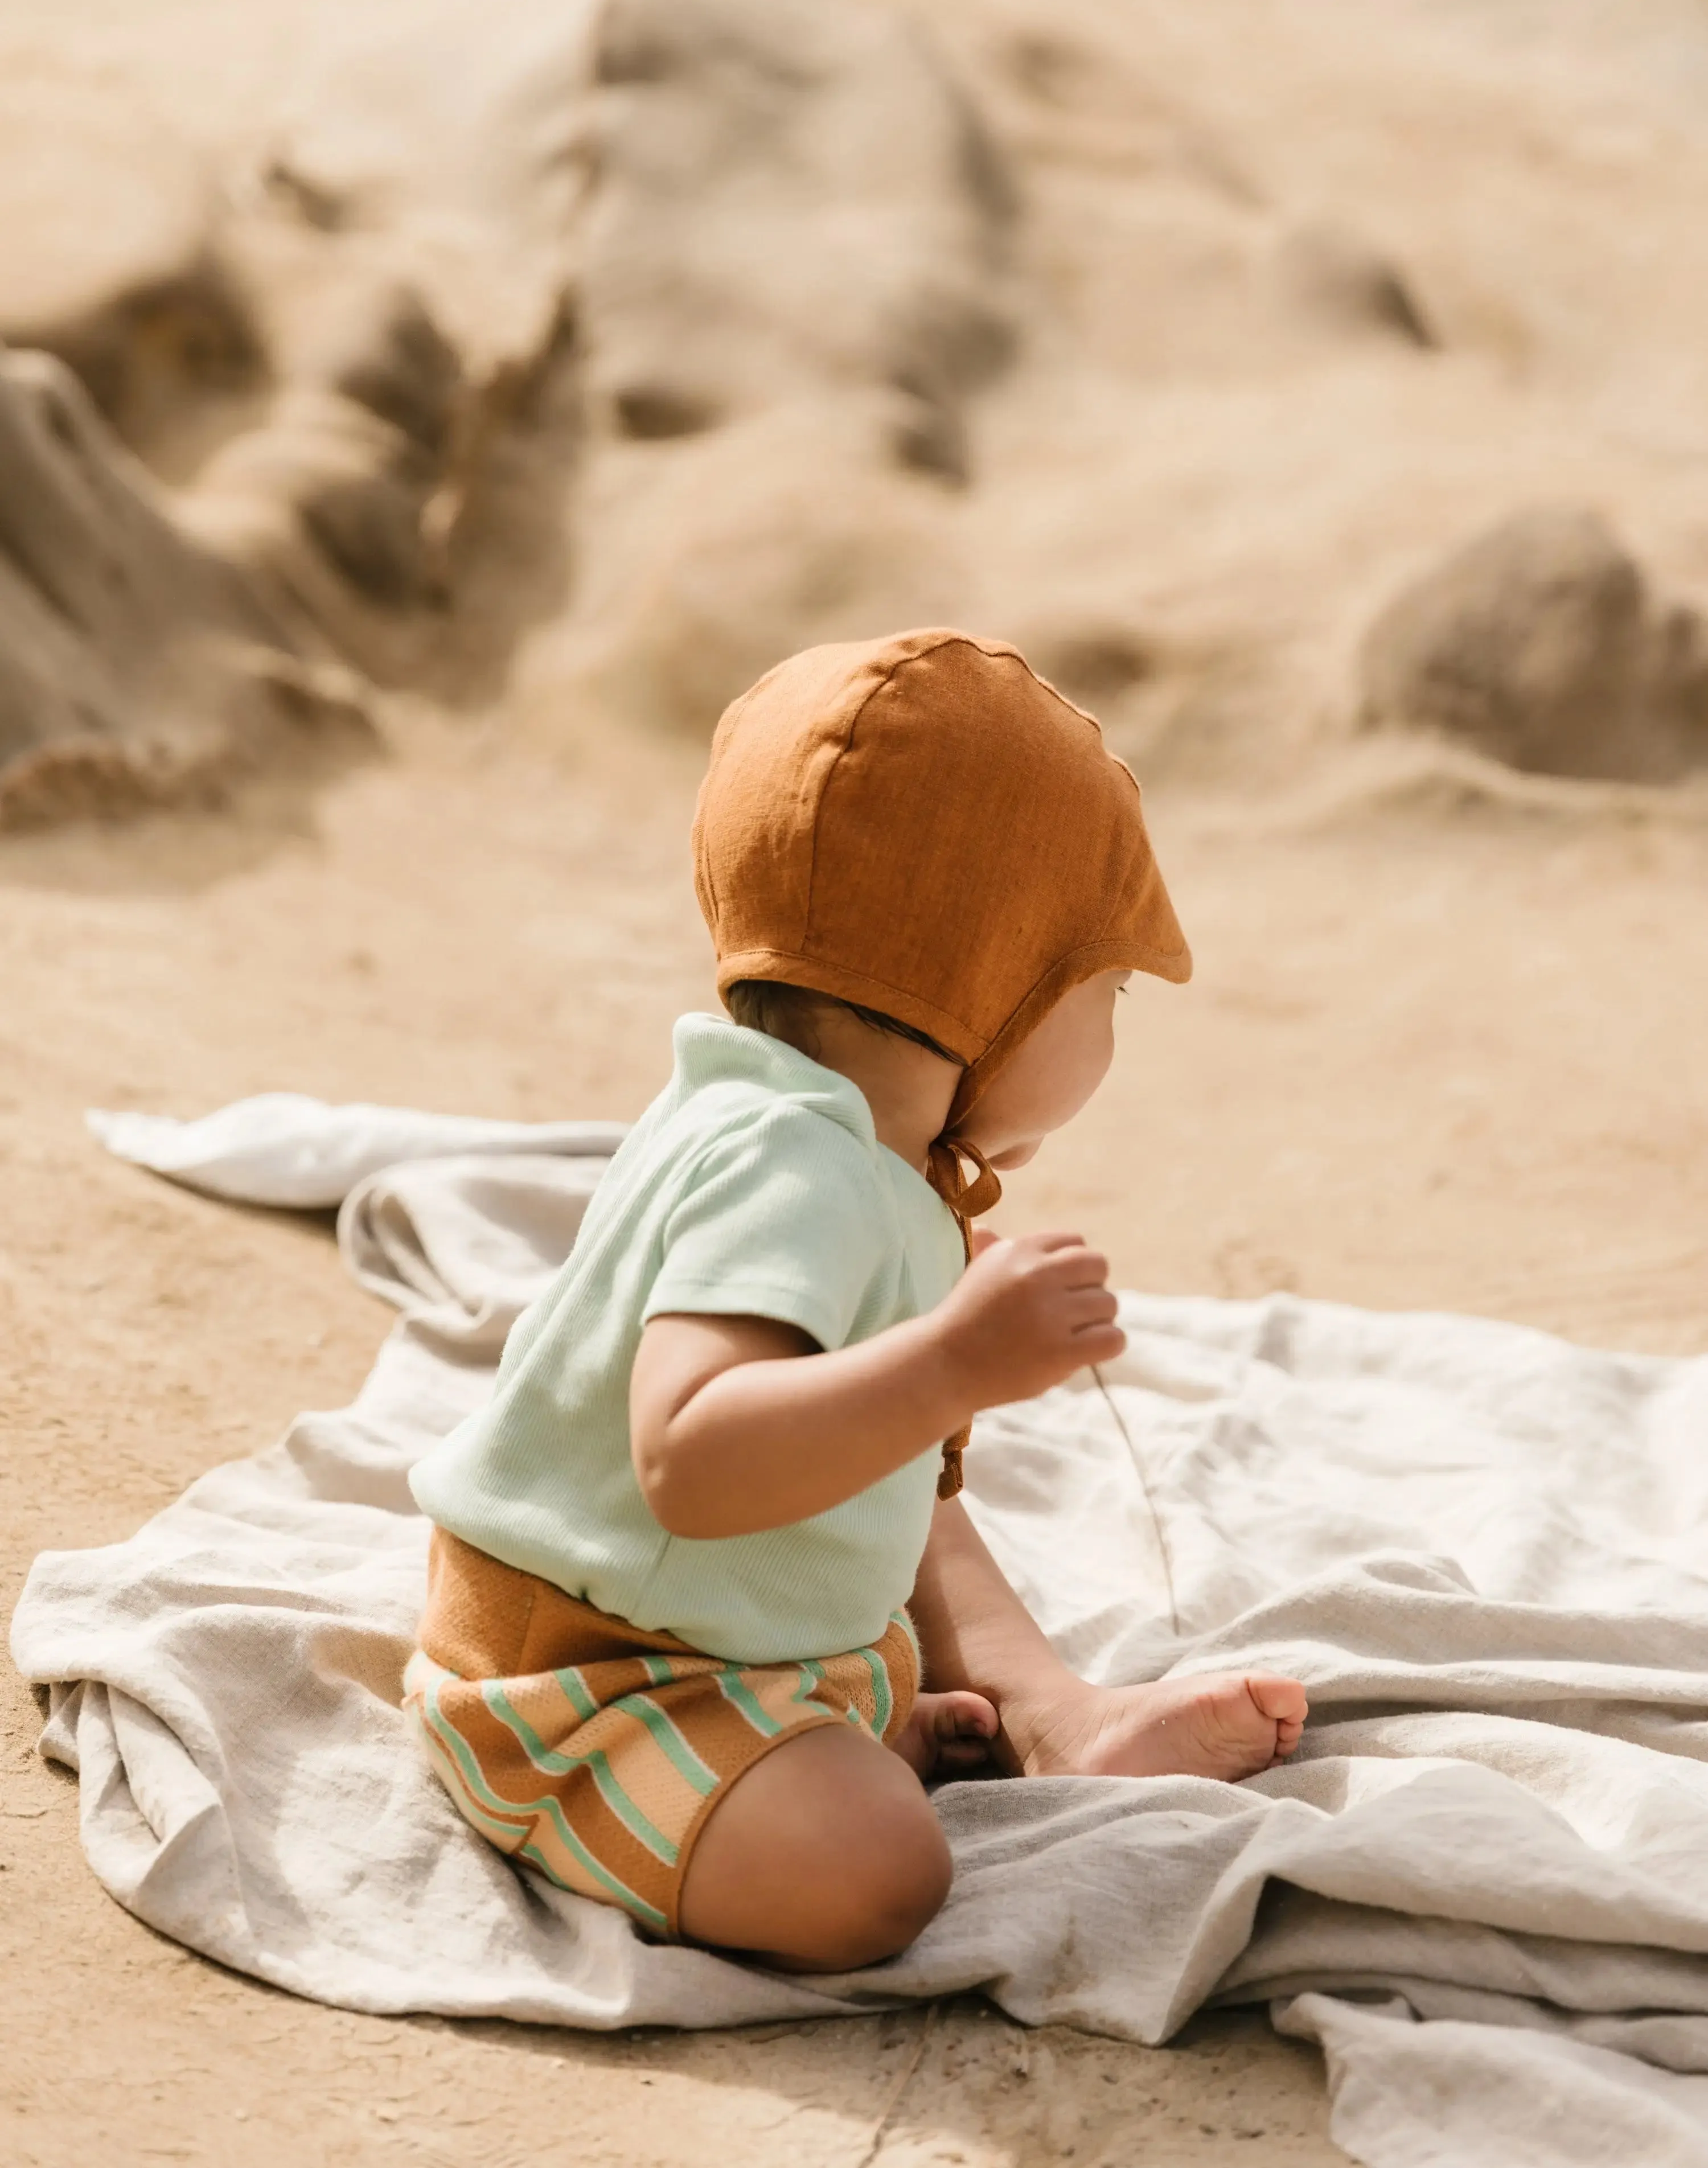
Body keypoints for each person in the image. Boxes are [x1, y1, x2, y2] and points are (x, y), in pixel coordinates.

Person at [404, 630, 1307, 1970]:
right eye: (1105, 987)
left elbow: (868, 1474)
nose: (1113, 1032)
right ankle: (784, 1750)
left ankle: (1046, 1709)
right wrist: (949, 1364)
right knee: (877, 1874)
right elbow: (692, 1459)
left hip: (715, 1619)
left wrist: (927, 1389)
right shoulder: (794, 1167)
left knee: (908, 1489)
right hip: (591, 1672)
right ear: (987, 980)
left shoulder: (842, 1141)